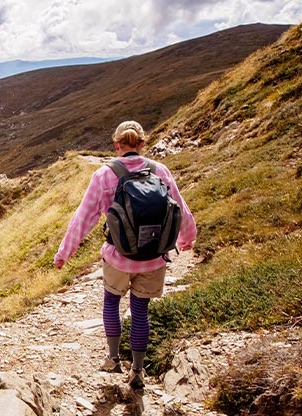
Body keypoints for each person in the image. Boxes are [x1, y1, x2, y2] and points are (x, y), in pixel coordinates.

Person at [52, 120, 196, 390]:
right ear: (142, 144)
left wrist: (63, 254)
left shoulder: (104, 176)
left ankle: (113, 358)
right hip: (154, 257)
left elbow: (83, 219)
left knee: (111, 302)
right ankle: (138, 370)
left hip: (118, 257)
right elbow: (180, 208)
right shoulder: (160, 170)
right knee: (140, 310)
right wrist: (187, 239)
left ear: (117, 145)